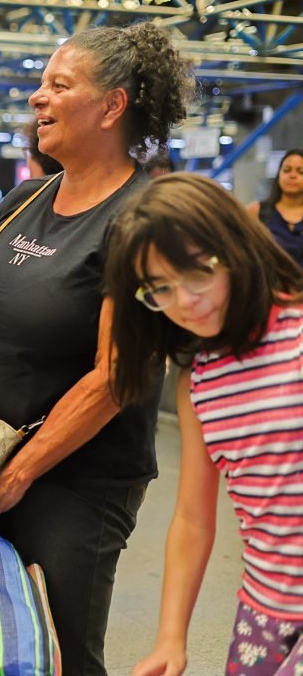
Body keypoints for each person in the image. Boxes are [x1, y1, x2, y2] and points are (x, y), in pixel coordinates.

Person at [0, 22, 194, 674]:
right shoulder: (23, 199)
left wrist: (14, 475)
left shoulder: (140, 218)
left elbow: (115, 376)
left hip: (76, 482)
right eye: (39, 84)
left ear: (111, 106)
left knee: (55, 654)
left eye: (58, 85)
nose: (36, 99)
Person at [102, 173, 303, 676]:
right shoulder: (200, 386)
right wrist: (171, 637)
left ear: (234, 246)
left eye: (197, 273)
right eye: (161, 289)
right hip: (264, 617)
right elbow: (193, 519)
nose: (186, 302)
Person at [247, 149, 303, 266]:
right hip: (268, 282)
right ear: (279, 175)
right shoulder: (256, 211)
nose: (292, 175)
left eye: (300, 171)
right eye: (287, 170)